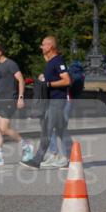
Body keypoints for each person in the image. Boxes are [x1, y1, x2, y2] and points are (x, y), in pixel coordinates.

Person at [21, 36, 72, 169]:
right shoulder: (50, 62)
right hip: (52, 101)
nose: (41, 47)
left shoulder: (58, 61)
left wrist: (48, 83)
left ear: (50, 46)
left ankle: (37, 160)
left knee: (47, 130)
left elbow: (67, 81)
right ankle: (72, 159)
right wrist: (43, 79)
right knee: (61, 131)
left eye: (43, 44)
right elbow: (51, 79)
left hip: (57, 102)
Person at [0, 43, 32, 166]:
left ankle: (26, 147)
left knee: (4, 129)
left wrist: (20, 97)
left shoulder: (11, 64)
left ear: (0, 52)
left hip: (10, 100)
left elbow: (20, 80)